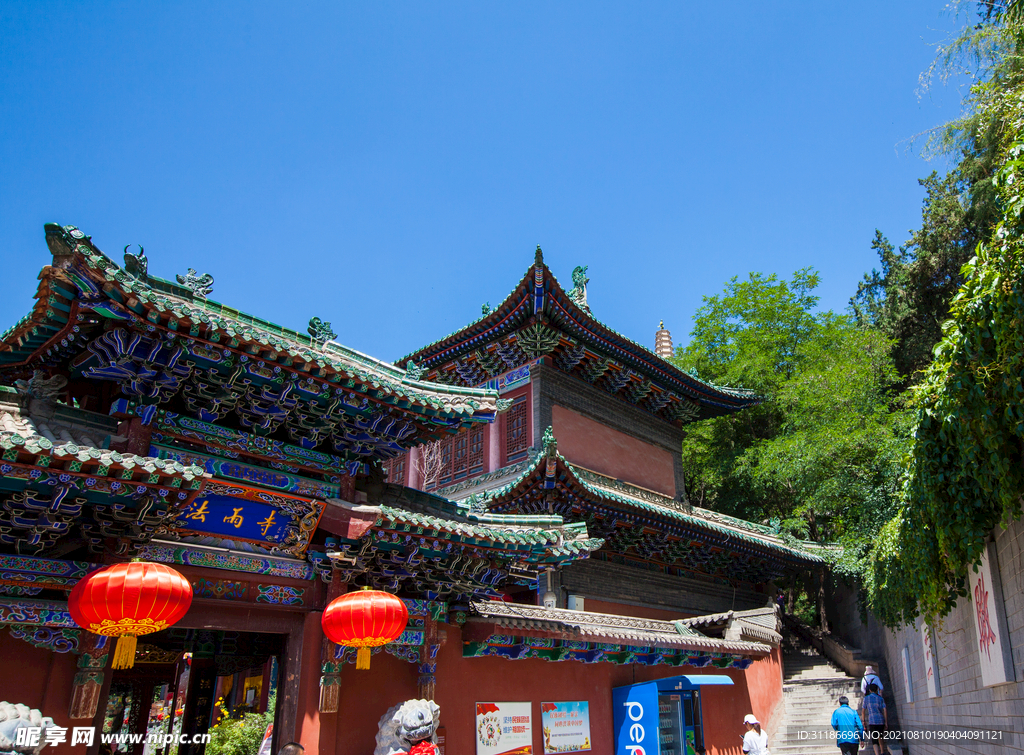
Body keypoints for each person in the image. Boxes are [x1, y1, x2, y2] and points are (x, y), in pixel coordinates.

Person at [862, 683, 889, 755]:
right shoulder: (880, 698)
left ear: (870, 690)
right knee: (880, 736)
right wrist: (886, 722)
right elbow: (885, 710)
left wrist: (863, 720)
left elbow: (863, 710)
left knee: (874, 739)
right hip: (880, 720)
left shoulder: (866, 698)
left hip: (872, 721)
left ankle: (877, 754)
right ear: (877, 689)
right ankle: (882, 752)